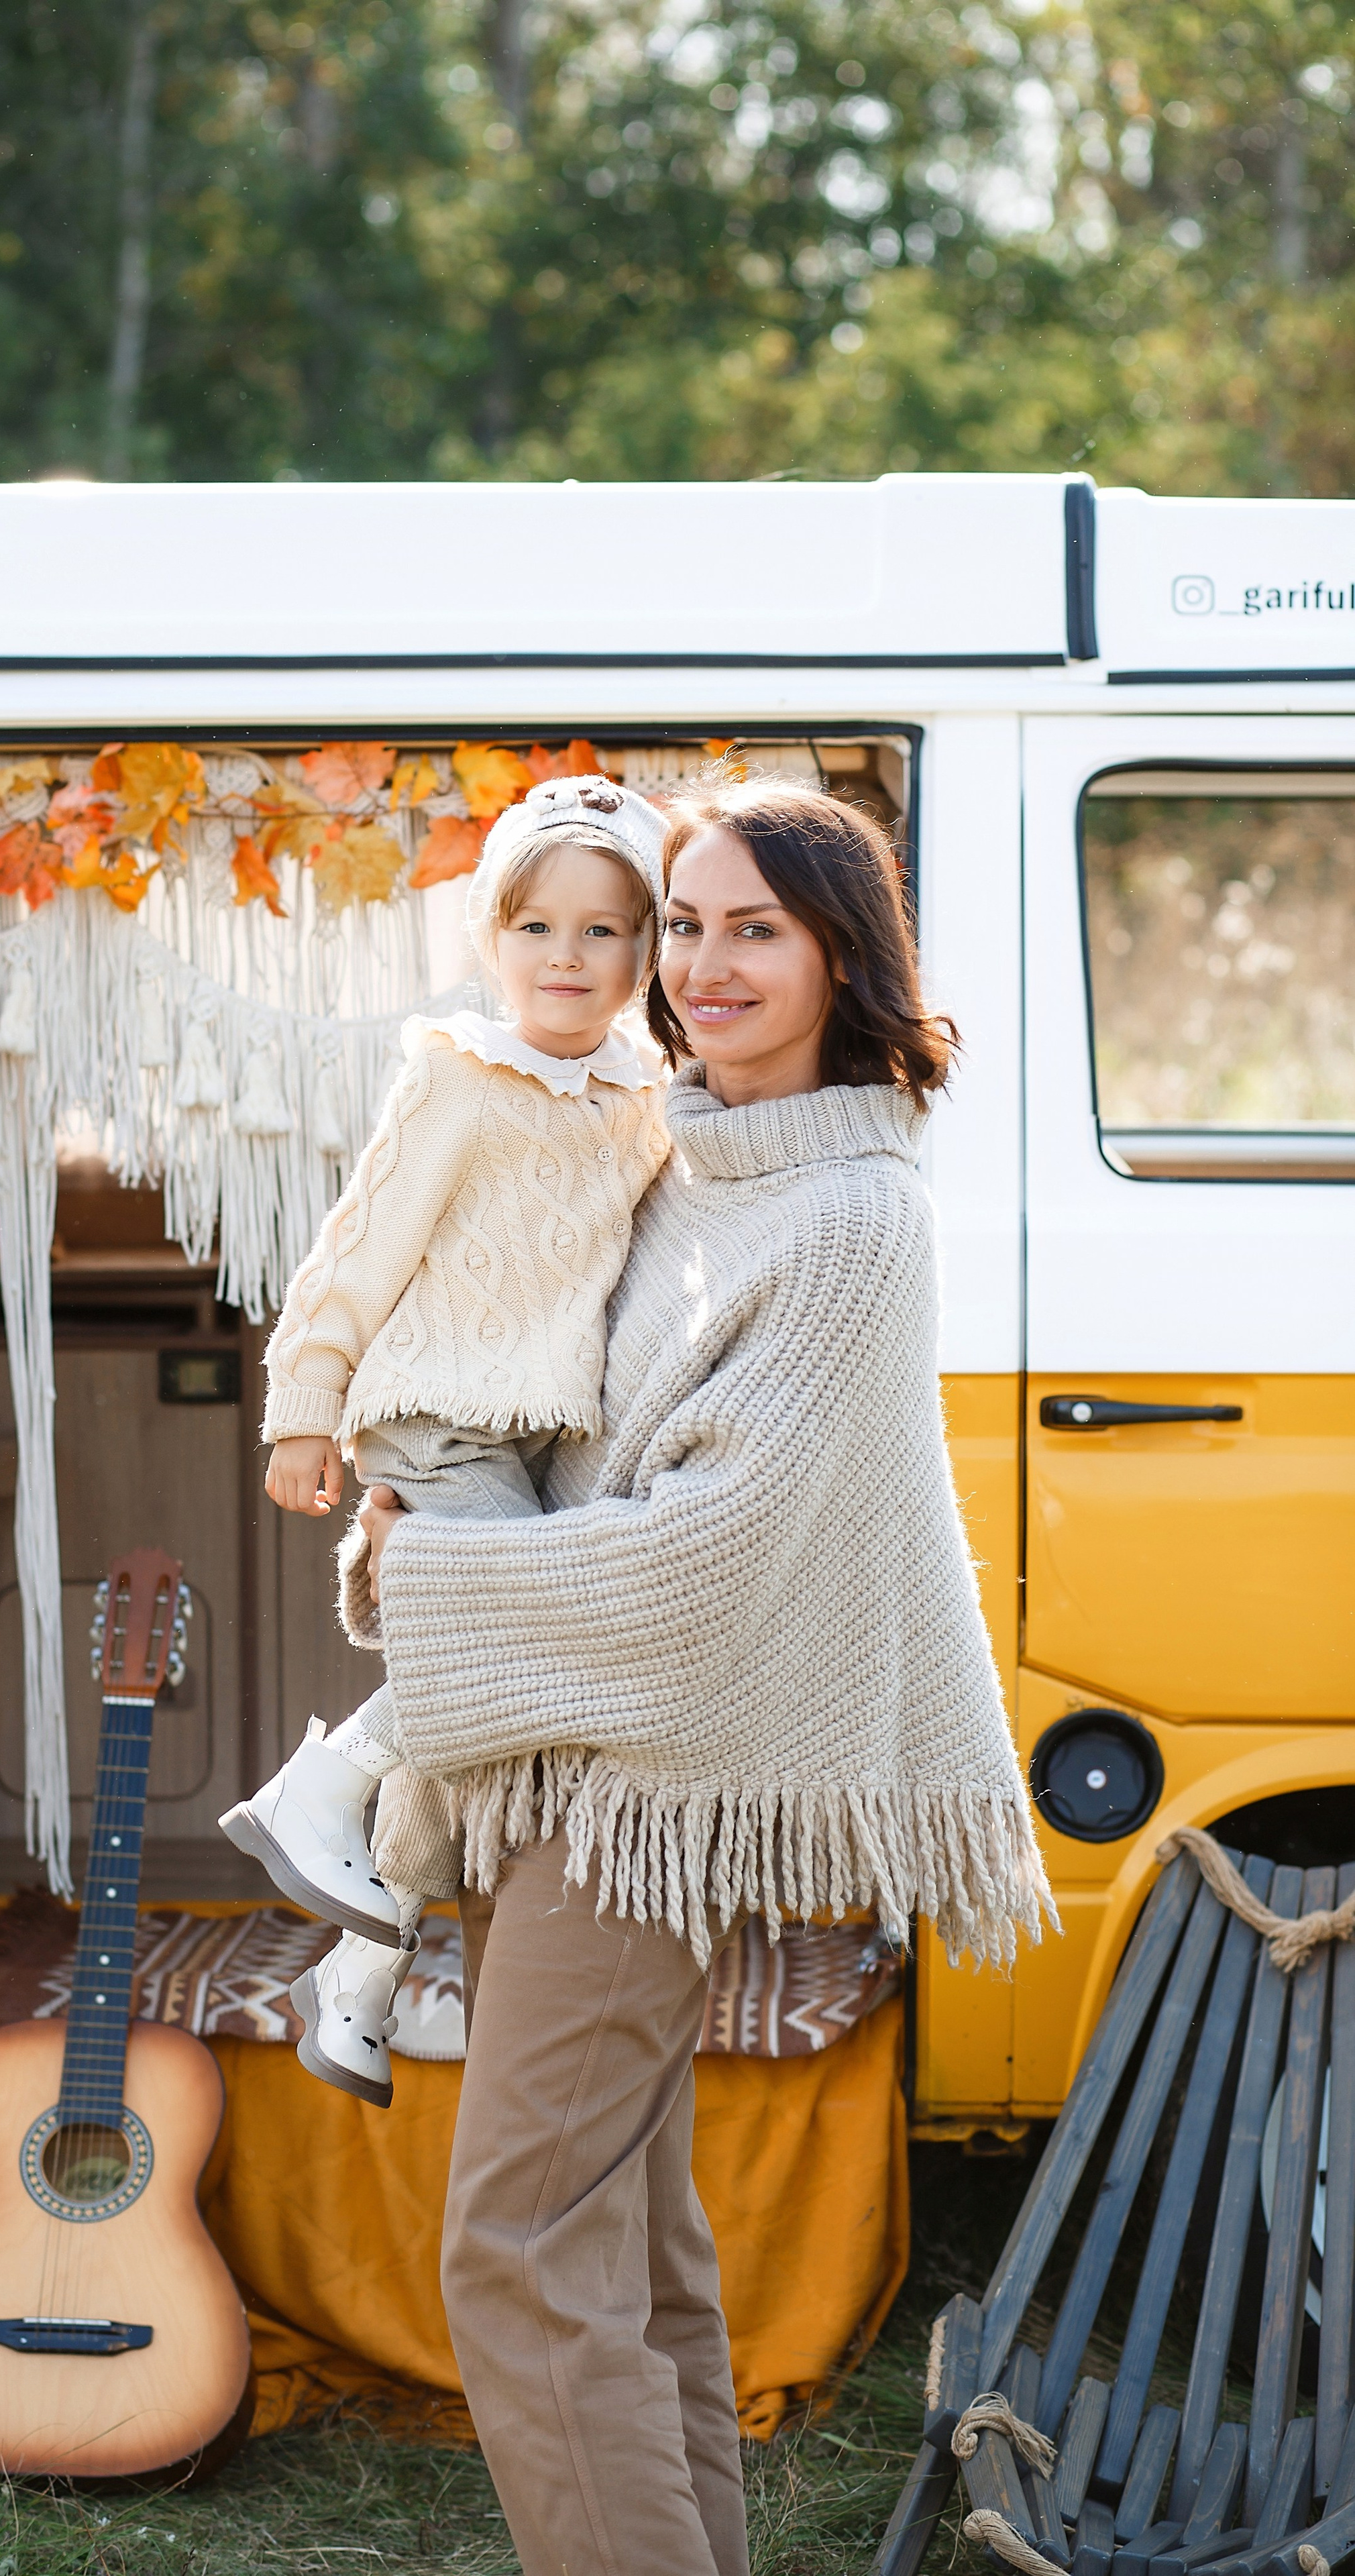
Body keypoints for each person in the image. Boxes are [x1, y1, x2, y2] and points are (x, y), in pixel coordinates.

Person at [351, 779, 1055, 2576]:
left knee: (514, 2248)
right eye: (685, 922)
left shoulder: (848, 1220)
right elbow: (558, 1391)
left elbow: (705, 1564)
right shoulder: (684, 1156)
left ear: (845, 954)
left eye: (757, 927)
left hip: (649, 1785)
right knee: (624, 2256)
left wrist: (441, 1579)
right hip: (566, 1756)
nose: (705, 962)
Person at [220, 773, 673, 2105]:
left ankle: (358, 1977)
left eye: (604, 932)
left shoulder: (638, 1098)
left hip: (534, 1439)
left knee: (478, 1716)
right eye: (536, 928)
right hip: (431, 1415)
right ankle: (323, 1783)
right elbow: (358, 1249)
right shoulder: (460, 1079)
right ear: (491, 936)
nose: (567, 959)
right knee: (524, 1642)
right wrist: (303, 1406)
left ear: (645, 952)